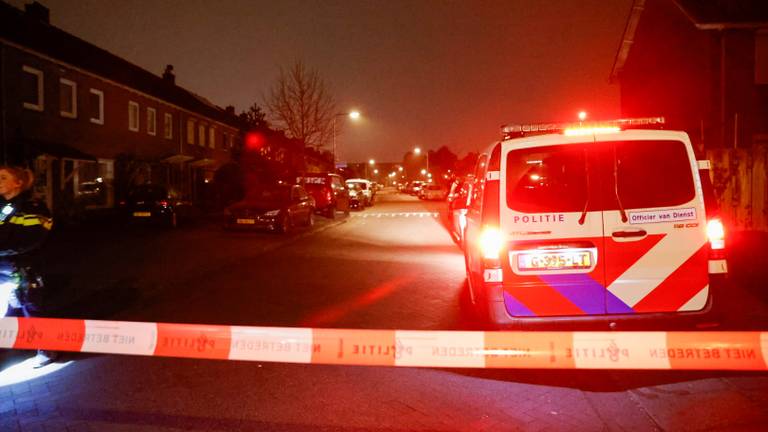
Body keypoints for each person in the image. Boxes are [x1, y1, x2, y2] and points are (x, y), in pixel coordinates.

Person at [0, 165, 55, 367]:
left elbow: (31, 240)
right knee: (8, 310)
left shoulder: (33, 207)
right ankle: (16, 342)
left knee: (32, 309)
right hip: (3, 267)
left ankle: (47, 350)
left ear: (18, 183)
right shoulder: (2, 207)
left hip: (24, 268)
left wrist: (3, 252)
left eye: (3, 177)